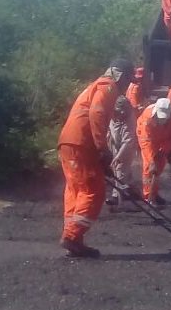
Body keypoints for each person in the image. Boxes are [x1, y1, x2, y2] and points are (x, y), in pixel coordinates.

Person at [57, 57, 134, 257]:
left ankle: (74, 238)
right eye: (128, 79)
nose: (127, 85)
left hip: (70, 141)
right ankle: (72, 236)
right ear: (122, 76)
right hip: (81, 143)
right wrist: (102, 148)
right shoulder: (107, 88)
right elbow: (97, 114)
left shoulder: (96, 86)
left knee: (77, 191)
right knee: (93, 191)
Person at [137, 97, 171, 206]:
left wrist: (163, 151)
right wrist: (151, 161)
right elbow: (146, 141)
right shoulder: (147, 118)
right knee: (149, 169)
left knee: (159, 166)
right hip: (148, 139)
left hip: (163, 139)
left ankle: (154, 193)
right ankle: (147, 196)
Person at [105, 93, 139, 208]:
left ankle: (116, 197)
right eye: (120, 110)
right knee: (123, 171)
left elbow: (128, 141)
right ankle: (133, 190)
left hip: (127, 147)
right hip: (114, 143)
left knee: (120, 169)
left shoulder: (130, 119)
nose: (122, 113)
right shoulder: (112, 113)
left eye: (124, 110)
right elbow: (109, 128)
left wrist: (118, 156)